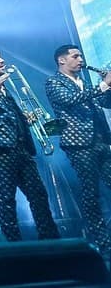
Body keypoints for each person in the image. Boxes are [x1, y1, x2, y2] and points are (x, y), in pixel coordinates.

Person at [0, 47, 60, 241]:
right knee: (6, 197)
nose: (2, 60)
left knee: (38, 194)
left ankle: (50, 239)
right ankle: (12, 243)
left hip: (21, 146)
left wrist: (24, 119)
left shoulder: (4, 85)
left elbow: (7, 115)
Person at [45, 45, 111, 253]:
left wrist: (108, 88)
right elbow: (69, 101)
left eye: (81, 56)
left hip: (101, 140)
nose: (81, 59)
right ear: (62, 60)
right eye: (75, 56)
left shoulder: (85, 81)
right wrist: (103, 85)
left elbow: (105, 103)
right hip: (78, 143)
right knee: (92, 193)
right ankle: (103, 242)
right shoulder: (54, 82)